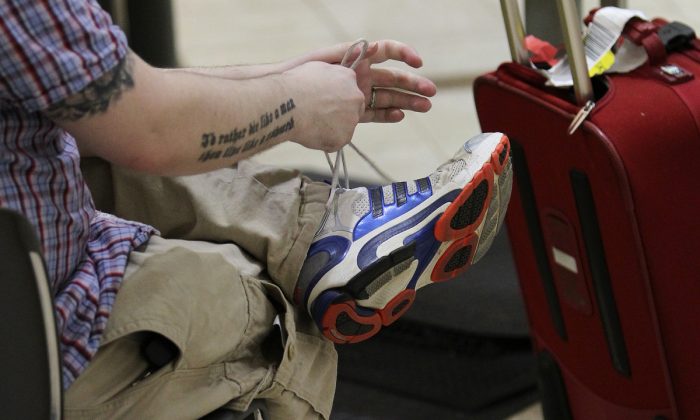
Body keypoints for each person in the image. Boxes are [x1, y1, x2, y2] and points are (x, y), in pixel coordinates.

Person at [0, 0, 512, 418]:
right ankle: (313, 264)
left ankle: (325, 236)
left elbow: (98, 97)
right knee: (263, 316)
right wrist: (294, 105)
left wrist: (277, 77)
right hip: (43, 343)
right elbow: (148, 127)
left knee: (108, 149)